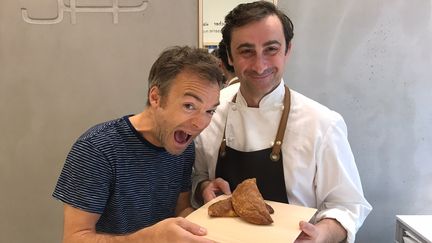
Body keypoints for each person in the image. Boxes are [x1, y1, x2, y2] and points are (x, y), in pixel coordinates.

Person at [191, 2, 372, 243]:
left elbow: (347, 206)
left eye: (271, 49)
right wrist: (203, 186)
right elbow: (196, 175)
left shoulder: (322, 123)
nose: (260, 64)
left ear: (288, 50)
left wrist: (321, 235)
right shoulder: (209, 112)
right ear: (230, 57)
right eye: (246, 51)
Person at [52, 46, 223, 243]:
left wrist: (213, 212)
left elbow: (180, 211)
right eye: (189, 106)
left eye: (209, 111)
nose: (200, 124)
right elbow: (74, 238)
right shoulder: (97, 149)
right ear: (155, 97)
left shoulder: (183, 146)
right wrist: (147, 238)